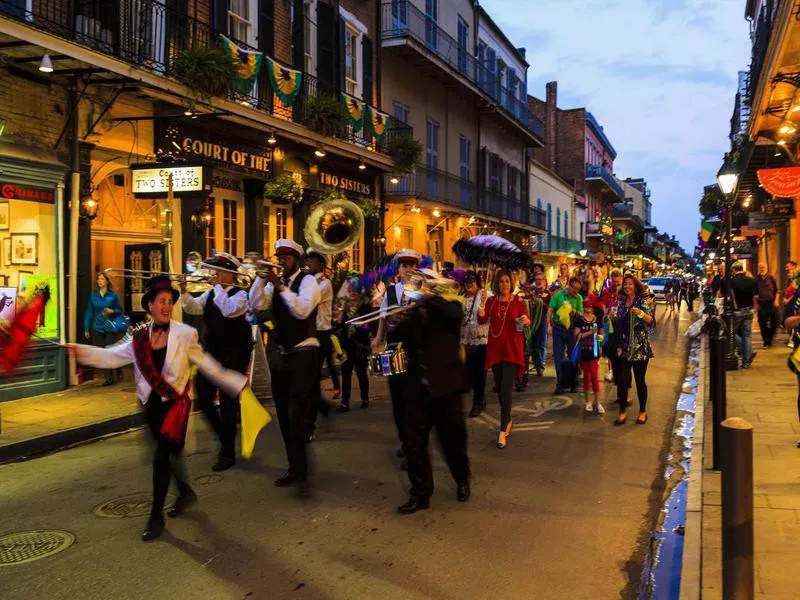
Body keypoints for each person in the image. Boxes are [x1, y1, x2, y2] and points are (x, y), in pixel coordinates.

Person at [71, 275, 247, 541]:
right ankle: (185, 492)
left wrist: (234, 381)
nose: (166, 306)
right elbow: (111, 356)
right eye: (161, 301)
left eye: (169, 301)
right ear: (150, 305)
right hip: (150, 407)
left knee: (160, 459)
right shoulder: (138, 336)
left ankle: (156, 516)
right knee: (168, 457)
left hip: (175, 409)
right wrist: (78, 350)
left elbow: (207, 364)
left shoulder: (186, 334)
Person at [393, 289, 471, 514]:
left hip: (446, 388)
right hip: (418, 388)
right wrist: (392, 323)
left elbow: (456, 315)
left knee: (452, 442)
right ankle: (420, 493)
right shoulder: (411, 312)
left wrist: (432, 298)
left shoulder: (449, 306)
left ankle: (462, 479)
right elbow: (398, 335)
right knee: (414, 443)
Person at [250, 239, 321, 487]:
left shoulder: (308, 281)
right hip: (280, 355)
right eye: (279, 257)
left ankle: (301, 469)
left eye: (286, 257)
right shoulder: (276, 285)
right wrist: (261, 278)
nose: (281, 261)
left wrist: (280, 285)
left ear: (297, 259)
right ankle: (294, 467)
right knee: (282, 415)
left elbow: (302, 310)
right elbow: (256, 304)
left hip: (303, 353)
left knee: (296, 416)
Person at [180, 252, 251, 472]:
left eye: (219, 271)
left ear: (230, 274)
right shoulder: (211, 293)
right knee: (204, 399)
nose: (215, 274)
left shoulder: (241, 296)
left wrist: (218, 287)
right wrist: (183, 290)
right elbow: (192, 308)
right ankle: (224, 437)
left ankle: (227, 452)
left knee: (229, 406)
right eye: (215, 271)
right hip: (211, 355)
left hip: (233, 356)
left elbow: (228, 310)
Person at [373, 249, 422, 465]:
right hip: (393, 349)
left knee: (414, 400)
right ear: (399, 269)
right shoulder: (391, 291)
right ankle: (405, 441)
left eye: (412, 265)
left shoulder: (423, 290)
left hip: (414, 349)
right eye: (405, 265)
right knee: (398, 399)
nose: (409, 269)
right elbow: (383, 317)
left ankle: (415, 446)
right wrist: (378, 339)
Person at [478, 269, 530, 449]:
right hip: (496, 350)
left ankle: (502, 431)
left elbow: (526, 319)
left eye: (507, 281)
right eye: (501, 281)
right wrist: (482, 303)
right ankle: (507, 420)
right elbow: (481, 319)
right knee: (500, 389)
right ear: (496, 284)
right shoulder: (491, 301)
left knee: (506, 389)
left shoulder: (518, 301)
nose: (504, 284)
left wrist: (524, 319)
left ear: (511, 283)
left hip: (512, 350)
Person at [613, 275, 655, 426]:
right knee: (623, 380)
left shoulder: (641, 302)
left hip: (640, 346)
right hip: (625, 345)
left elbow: (651, 321)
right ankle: (622, 411)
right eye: (625, 284)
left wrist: (640, 313)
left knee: (640, 380)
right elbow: (618, 323)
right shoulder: (622, 304)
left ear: (636, 287)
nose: (627, 286)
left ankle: (643, 411)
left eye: (630, 284)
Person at [305, 250, 338, 440]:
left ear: (321, 264)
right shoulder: (307, 281)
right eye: (307, 259)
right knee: (309, 380)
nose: (308, 263)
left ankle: (309, 426)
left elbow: (309, 301)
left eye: (312, 260)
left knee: (310, 380)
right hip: (310, 335)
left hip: (321, 335)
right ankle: (323, 408)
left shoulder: (324, 283)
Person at [335, 278, 372, 413]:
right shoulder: (345, 307)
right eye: (350, 291)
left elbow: (371, 324)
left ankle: (365, 398)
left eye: (354, 292)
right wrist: (339, 318)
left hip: (361, 345)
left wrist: (364, 325)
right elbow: (340, 324)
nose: (352, 294)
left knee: (361, 372)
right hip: (347, 344)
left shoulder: (365, 306)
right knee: (346, 373)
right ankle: (345, 403)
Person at [83, 272, 124, 386]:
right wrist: (86, 327)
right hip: (97, 327)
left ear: (106, 281)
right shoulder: (93, 295)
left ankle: (118, 369)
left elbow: (119, 310)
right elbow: (89, 312)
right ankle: (109, 378)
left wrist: (112, 311)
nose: (99, 281)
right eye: (98, 279)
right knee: (101, 353)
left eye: (101, 279)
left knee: (110, 351)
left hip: (110, 327)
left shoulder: (113, 295)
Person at [548, 277, 584, 394]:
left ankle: (574, 383)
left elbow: (581, 314)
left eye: (578, 289)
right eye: (574, 288)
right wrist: (548, 325)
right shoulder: (558, 295)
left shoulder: (578, 298)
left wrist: (575, 312)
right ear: (569, 286)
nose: (575, 291)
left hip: (572, 330)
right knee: (559, 357)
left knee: (573, 356)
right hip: (558, 329)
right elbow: (550, 310)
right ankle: (561, 384)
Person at [462, 270, 489, 417]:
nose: (469, 283)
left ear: (478, 282)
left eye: (472, 280)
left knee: (480, 374)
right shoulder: (461, 298)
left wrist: (485, 302)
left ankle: (478, 402)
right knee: (470, 375)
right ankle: (480, 399)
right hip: (466, 341)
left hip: (481, 340)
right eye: (466, 280)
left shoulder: (485, 295)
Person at [573, 300, 604, 414]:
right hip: (584, 352)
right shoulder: (579, 320)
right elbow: (576, 335)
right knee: (587, 377)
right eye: (586, 306)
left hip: (594, 352)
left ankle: (598, 402)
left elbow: (602, 335)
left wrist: (598, 337)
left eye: (590, 306)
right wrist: (591, 332)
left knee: (594, 377)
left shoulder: (596, 319)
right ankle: (588, 401)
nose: (588, 308)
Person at [730, 262, 758, 369]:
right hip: (749, 310)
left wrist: (736, 306)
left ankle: (748, 351)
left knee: (731, 332)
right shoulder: (752, 281)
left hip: (738, 310)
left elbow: (731, 296)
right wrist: (754, 309)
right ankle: (746, 362)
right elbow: (755, 296)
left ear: (734, 270)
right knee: (747, 335)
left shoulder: (732, 281)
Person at [600, 269, 622, 384]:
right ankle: (611, 370)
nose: (616, 284)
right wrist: (606, 313)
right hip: (609, 321)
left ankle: (619, 370)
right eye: (614, 282)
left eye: (618, 282)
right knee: (610, 345)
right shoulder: (607, 291)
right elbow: (603, 304)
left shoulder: (624, 290)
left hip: (621, 322)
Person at [529, 271, 551, 377]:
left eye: (540, 279)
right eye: (536, 279)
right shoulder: (531, 292)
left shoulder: (548, 293)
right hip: (531, 321)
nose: (538, 281)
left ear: (544, 281)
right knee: (532, 344)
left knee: (541, 344)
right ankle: (536, 363)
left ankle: (540, 366)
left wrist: (542, 303)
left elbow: (551, 309)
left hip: (542, 321)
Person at [756, 262, 779, 348]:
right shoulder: (756, 279)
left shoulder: (771, 277)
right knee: (762, 323)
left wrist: (776, 301)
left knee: (775, 322)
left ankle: (770, 337)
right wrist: (756, 305)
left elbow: (777, 291)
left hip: (772, 302)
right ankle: (766, 341)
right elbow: (755, 294)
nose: (762, 269)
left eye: (763, 267)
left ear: (766, 267)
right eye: (760, 267)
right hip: (762, 303)